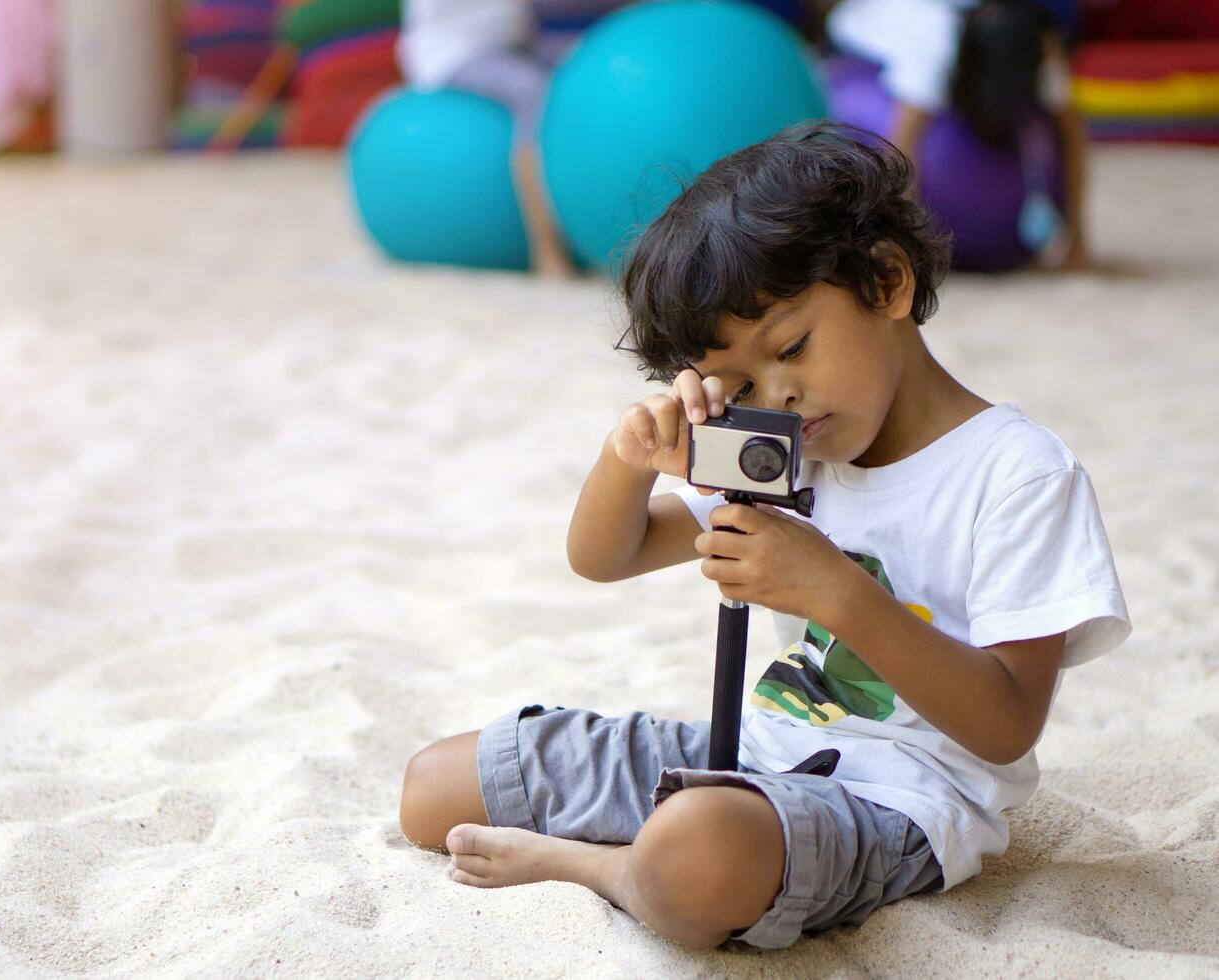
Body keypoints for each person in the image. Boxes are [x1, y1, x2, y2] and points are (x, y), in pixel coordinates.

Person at [397, 124, 1130, 949]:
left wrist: (837, 592)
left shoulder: (1019, 475)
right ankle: (643, 854)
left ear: (887, 281)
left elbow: (1005, 728)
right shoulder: (789, 452)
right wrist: (630, 456)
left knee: (697, 854)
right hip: (751, 752)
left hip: (897, 803)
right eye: (739, 381)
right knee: (435, 787)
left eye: (792, 348)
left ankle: (593, 867)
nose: (778, 395)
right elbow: (606, 556)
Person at [825, 0, 1092, 269]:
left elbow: (1072, 137)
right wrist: (904, 249)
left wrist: (1077, 240)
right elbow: (900, 149)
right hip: (858, 43)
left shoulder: (1038, 42)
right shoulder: (936, 44)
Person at [397, 0, 630, 279]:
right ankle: (546, 249)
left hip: (515, 42)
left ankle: (598, 228)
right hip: (454, 50)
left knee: (586, 64)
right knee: (531, 91)